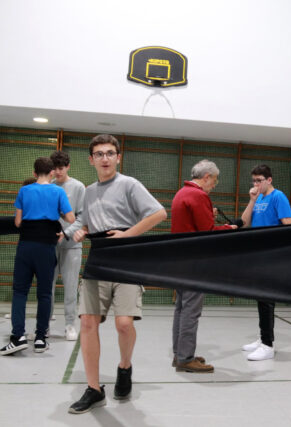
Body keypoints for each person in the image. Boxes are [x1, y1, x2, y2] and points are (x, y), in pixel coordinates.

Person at [68, 134, 167, 414]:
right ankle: (94, 389)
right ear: (91, 160)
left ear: (118, 157)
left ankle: (125, 367)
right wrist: (81, 231)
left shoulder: (129, 184)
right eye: (99, 154)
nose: (105, 158)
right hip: (98, 258)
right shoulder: (88, 191)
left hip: (126, 259)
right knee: (88, 322)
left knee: (124, 324)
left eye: (110, 153)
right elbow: (87, 222)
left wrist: (127, 235)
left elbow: (159, 213)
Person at [0, 157, 74, 356]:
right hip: (46, 248)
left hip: (26, 246)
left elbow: (17, 222)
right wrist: (57, 212)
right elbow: (71, 218)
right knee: (44, 293)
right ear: (52, 173)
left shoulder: (24, 191)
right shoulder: (58, 191)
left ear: (34, 173)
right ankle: (41, 338)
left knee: (20, 292)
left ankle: (18, 337)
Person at [171, 160, 235, 373]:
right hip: (194, 261)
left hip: (180, 260)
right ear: (206, 176)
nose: (214, 185)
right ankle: (186, 358)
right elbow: (208, 231)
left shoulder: (182, 193)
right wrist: (229, 228)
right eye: (214, 180)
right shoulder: (199, 195)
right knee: (191, 310)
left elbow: (192, 224)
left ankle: (179, 353)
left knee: (181, 308)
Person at [240, 164, 291, 361]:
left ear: (269, 180)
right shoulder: (259, 198)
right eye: (254, 180)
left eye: (259, 180)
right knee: (260, 298)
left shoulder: (278, 197)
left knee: (267, 299)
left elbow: (289, 227)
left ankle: (268, 345)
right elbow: (244, 222)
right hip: (258, 255)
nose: (256, 184)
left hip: (272, 256)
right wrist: (252, 200)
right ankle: (263, 338)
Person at [49, 150, 86, 341]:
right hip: (49, 245)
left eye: (61, 168)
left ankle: (70, 324)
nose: (58, 172)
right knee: (47, 286)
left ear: (68, 167)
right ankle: (45, 324)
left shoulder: (78, 187)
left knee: (71, 287)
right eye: (54, 168)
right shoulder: (48, 186)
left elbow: (82, 217)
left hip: (71, 245)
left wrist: (66, 233)